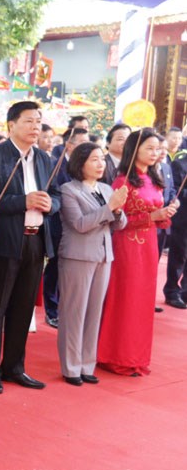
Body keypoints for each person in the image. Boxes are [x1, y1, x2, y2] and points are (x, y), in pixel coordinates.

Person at [0, 100, 60, 394]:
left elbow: (56, 194)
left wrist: (50, 204)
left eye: (38, 121)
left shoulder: (45, 158)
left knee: (24, 308)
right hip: (3, 242)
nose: (36, 126)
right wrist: (23, 201)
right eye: (29, 121)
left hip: (36, 240)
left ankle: (14, 367)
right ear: (11, 125)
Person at [98, 129, 178, 376]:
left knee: (142, 302)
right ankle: (115, 356)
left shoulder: (154, 179)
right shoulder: (122, 182)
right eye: (149, 148)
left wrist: (165, 215)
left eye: (157, 149)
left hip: (149, 246)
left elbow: (157, 218)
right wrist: (151, 217)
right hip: (127, 247)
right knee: (125, 299)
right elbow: (114, 220)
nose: (155, 153)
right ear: (135, 150)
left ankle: (136, 356)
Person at [57, 142, 127, 386]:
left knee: (94, 312)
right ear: (80, 163)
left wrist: (116, 211)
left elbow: (120, 224)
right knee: (74, 313)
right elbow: (80, 224)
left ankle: (87, 364)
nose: (100, 164)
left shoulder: (107, 189)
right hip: (77, 256)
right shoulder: (68, 190)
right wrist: (110, 208)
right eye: (94, 159)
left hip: (104, 255)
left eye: (102, 159)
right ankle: (71, 367)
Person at [43, 127, 90, 328]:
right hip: (58, 224)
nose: (86, 146)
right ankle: (51, 309)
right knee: (55, 268)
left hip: (81, 227)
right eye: (81, 142)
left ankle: (68, 308)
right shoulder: (56, 166)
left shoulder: (87, 167)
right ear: (69, 145)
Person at [165, 152, 187, 308]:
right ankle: (172, 290)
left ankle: (185, 291)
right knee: (179, 254)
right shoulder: (180, 164)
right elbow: (174, 191)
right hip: (182, 218)